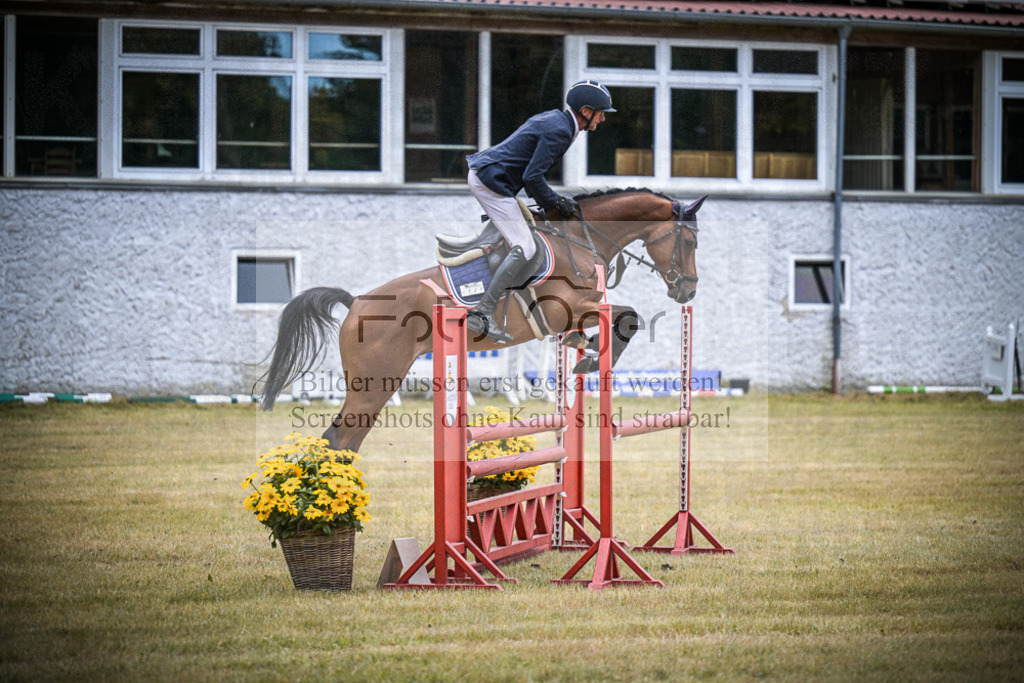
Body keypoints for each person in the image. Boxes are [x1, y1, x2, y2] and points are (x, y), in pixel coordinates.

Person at [464, 80, 615, 343]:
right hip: (491, 183)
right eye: (601, 113)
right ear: (586, 111)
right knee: (526, 246)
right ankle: (483, 312)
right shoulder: (560, 131)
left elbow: (532, 175)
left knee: (536, 233)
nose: (602, 119)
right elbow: (533, 176)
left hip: (496, 178)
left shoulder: (559, 121)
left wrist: (553, 202)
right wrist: (556, 202)